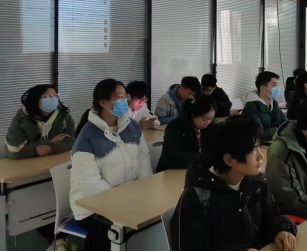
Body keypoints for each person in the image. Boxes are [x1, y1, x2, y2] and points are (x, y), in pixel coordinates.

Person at [171, 116, 297, 251]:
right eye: (254, 149)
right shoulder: (196, 197)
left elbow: (271, 218)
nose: (260, 156)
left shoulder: (258, 184)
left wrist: (281, 230)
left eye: (259, 147)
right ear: (229, 160)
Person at [70, 79, 152, 251]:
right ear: (103, 103)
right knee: (115, 230)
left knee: (153, 219)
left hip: (128, 198)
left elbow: (144, 163)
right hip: (92, 207)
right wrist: (120, 198)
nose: (124, 101)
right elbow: (89, 184)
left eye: (125, 96)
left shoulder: (132, 128)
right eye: (119, 97)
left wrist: (143, 193)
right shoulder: (87, 136)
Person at [6, 85, 75, 160]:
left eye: (55, 96)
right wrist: (50, 142)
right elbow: (14, 151)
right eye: (47, 97)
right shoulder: (21, 119)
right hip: (26, 163)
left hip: (54, 161)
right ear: (35, 99)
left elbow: (72, 140)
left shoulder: (64, 116)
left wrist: (51, 148)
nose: (53, 99)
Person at [157, 94, 218, 172]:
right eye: (204, 119)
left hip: (198, 170)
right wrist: (200, 159)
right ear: (193, 115)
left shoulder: (211, 126)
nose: (207, 122)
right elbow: (170, 158)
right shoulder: (175, 127)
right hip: (173, 171)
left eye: (211, 119)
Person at [242, 71, 287, 142]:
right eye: (274, 85)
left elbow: (285, 124)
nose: (277, 88)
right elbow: (257, 133)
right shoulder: (251, 107)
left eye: (277, 85)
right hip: (259, 145)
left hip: (274, 141)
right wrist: (277, 130)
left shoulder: (274, 104)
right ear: (263, 89)